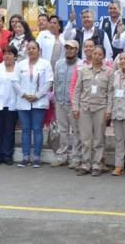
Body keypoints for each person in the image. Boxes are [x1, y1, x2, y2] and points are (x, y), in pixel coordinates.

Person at [72, 45, 113, 176]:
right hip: (85, 108)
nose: (97, 56)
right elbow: (77, 90)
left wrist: (109, 110)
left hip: (101, 108)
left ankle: (97, 164)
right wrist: (75, 107)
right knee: (86, 138)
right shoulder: (83, 70)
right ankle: (86, 164)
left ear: (103, 56)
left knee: (99, 138)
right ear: (91, 55)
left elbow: (111, 93)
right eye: (95, 53)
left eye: (100, 54)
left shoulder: (108, 71)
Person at [12, 41, 52, 168]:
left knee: (37, 129)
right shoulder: (20, 64)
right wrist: (24, 95)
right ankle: (25, 157)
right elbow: (15, 82)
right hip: (23, 101)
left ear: (39, 50)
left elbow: (48, 82)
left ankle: (36, 157)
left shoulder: (45, 64)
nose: (31, 51)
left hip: (38, 101)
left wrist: (37, 96)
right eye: (29, 48)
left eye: (34, 48)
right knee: (25, 130)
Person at [51, 40, 83, 169]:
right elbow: (56, 81)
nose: (69, 51)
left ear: (77, 50)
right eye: (67, 48)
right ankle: (62, 156)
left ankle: (76, 157)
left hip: (73, 103)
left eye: (72, 49)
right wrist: (55, 98)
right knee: (62, 131)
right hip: (60, 102)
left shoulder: (81, 65)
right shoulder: (59, 64)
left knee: (76, 131)